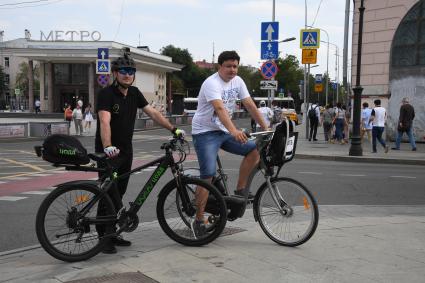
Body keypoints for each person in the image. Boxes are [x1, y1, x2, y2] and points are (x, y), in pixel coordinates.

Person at [95, 49, 184, 254]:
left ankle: (113, 232)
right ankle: (103, 238)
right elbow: (104, 121)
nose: (127, 74)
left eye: (131, 71)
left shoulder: (134, 93)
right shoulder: (106, 94)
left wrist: (173, 129)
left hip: (126, 151)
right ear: (115, 74)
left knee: (120, 193)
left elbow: (153, 113)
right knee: (109, 193)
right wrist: (108, 146)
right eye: (123, 71)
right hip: (109, 154)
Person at [191, 51, 269, 237]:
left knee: (253, 150)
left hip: (224, 131)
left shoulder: (238, 81)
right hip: (205, 132)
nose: (232, 70)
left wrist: (265, 127)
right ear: (220, 67)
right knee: (207, 175)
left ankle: (240, 190)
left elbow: (250, 104)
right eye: (228, 66)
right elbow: (219, 108)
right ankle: (199, 218)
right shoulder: (212, 83)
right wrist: (234, 131)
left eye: (235, 66)